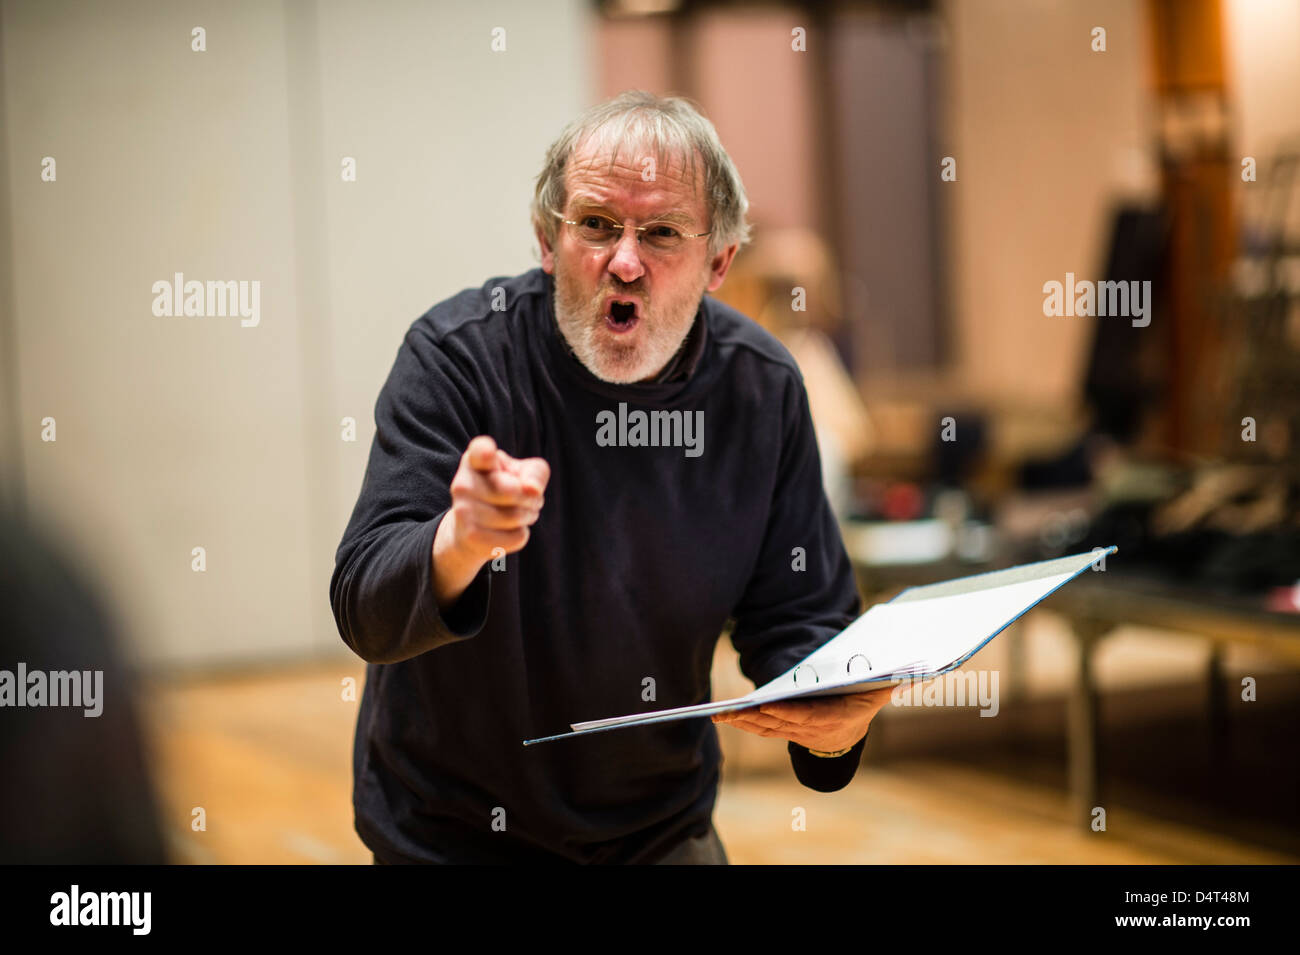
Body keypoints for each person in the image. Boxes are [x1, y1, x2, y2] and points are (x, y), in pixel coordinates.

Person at [330, 90, 892, 865]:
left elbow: (800, 617)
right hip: (452, 832)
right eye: (595, 225)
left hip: (657, 830)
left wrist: (835, 729)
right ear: (545, 238)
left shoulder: (760, 389)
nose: (623, 260)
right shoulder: (456, 358)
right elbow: (364, 608)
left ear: (720, 262)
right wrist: (457, 543)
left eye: (661, 232)